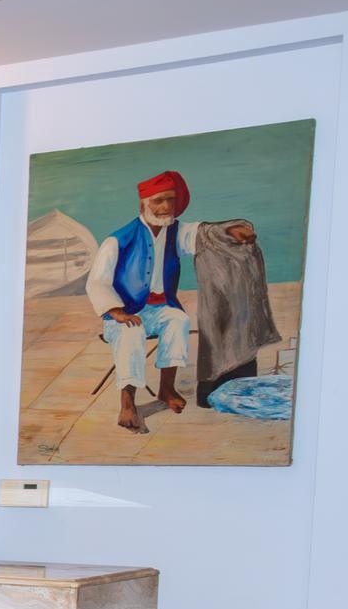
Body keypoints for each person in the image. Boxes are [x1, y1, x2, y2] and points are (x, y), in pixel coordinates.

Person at [85, 169, 255, 432]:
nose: (165, 207)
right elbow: (97, 282)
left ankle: (166, 389)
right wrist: (117, 312)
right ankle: (127, 402)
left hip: (160, 308)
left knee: (178, 320)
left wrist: (230, 229)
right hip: (123, 313)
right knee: (131, 332)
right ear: (144, 204)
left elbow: (202, 232)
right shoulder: (118, 240)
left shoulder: (175, 231)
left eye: (170, 200)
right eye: (159, 201)